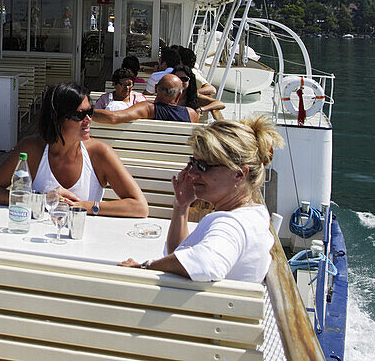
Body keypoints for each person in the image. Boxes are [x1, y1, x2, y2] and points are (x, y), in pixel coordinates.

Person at [119, 115, 284, 282]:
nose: (192, 173)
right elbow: (181, 256)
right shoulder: (254, 215)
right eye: (193, 162)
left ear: (239, 174)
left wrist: (146, 267)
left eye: (203, 166)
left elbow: (206, 265)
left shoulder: (230, 225)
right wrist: (181, 207)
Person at [0, 82, 148, 217]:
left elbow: (139, 206)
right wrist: (40, 200)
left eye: (90, 112)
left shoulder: (100, 153)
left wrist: (85, 206)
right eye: (79, 115)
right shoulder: (33, 149)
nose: (88, 119)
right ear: (56, 118)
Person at [93, 73, 200, 124]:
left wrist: (85, 112)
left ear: (156, 88)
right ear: (179, 95)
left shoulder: (148, 109)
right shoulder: (192, 114)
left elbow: (113, 117)